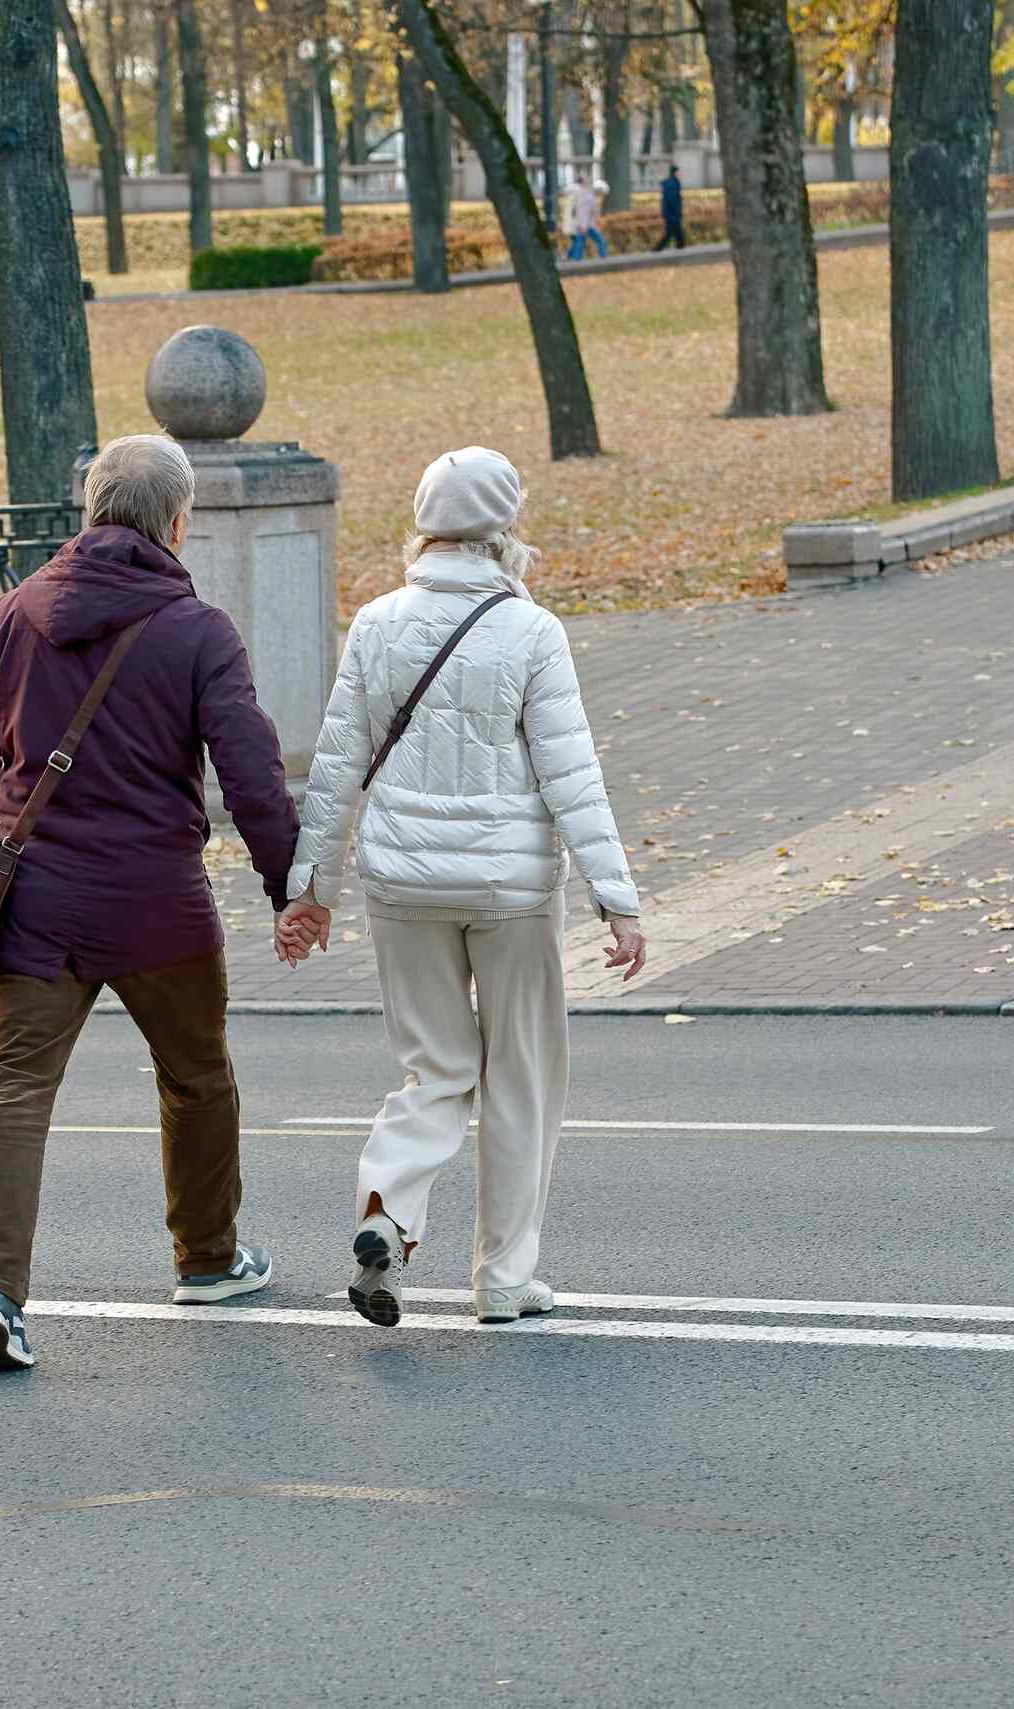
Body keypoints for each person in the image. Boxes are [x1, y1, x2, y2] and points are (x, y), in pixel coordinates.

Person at [0, 434, 296, 1373]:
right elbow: (251, 773)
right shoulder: (199, 631)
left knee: (13, 1088)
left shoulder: (14, 616)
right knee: (197, 1077)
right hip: (157, 906)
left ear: (90, 512)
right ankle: (209, 1259)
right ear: (179, 523)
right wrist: (287, 883)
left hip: (36, 905)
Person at [276, 448, 648, 1331]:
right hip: (510, 890)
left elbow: (335, 771)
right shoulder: (532, 631)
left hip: (401, 883)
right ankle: (504, 1278)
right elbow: (571, 774)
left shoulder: (375, 624)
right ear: (504, 528)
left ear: (424, 523)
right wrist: (616, 898)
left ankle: (388, 1215)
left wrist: (310, 889)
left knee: (432, 1069)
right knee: (520, 1075)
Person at [567, 177, 609, 262]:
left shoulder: (590, 197)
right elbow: (583, 213)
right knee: (596, 240)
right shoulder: (589, 199)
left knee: (579, 242)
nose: (602, 195)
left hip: (586, 225)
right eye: (602, 193)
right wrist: (582, 225)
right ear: (599, 190)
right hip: (585, 225)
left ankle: (572, 259)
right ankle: (603, 258)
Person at [654, 164, 688, 252]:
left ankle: (681, 251)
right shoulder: (672, 185)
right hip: (672, 215)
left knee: (677, 235)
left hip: (672, 215)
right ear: (675, 173)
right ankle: (655, 252)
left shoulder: (674, 183)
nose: (681, 174)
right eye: (680, 173)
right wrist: (674, 215)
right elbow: (672, 201)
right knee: (670, 235)